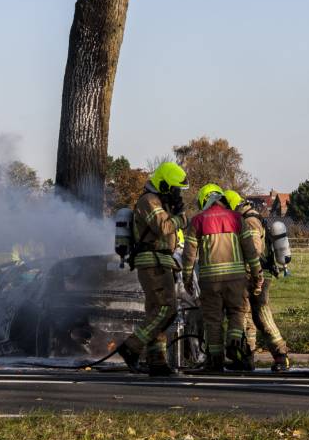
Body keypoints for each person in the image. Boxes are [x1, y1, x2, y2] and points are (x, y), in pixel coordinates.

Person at [116, 161, 189, 377]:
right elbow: (163, 227)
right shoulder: (149, 201)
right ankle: (131, 347)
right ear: (165, 185)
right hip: (153, 261)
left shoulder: (160, 202)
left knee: (157, 311)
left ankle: (157, 361)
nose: (178, 194)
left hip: (161, 261)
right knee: (167, 309)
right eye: (175, 189)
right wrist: (181, 217)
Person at [181, 184, 263, 372]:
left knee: (213, 320)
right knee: (237, 312)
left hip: (210, 281)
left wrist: (187, 278)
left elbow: (189, 254)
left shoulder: (198, 220)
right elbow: (250, 249)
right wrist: (257, 273)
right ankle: (234, 342)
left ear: (204, 200)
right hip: (236, 279)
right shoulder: (236, 218)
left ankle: (215, 361)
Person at [224, 189, 290, 372]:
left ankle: (281, 356)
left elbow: (254, 251)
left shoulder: (250, 221)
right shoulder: (246, 218)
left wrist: (253, 274)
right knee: (248, 317)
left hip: (258, 273)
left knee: (261, 315)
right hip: (252, 273)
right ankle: (247, 358)